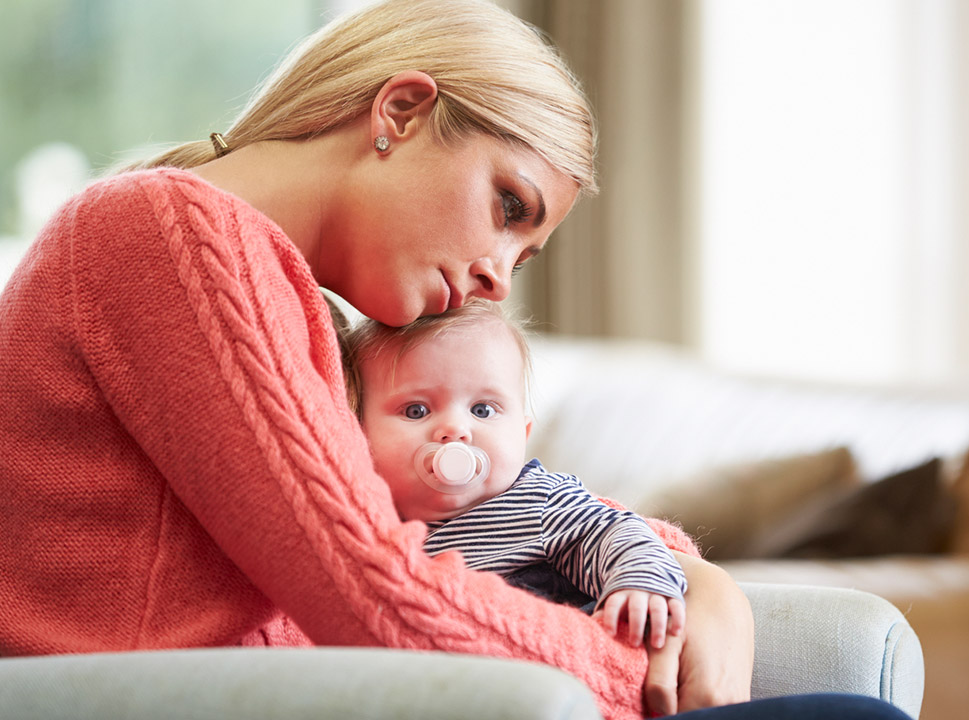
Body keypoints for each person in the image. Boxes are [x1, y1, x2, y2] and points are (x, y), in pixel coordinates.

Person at [0, 1, 909, 718]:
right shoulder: (164, 235)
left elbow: (479, 513)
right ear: (400, 110)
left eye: (524, 255)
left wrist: (685, 576)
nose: (495, 281)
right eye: (509, 206)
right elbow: (376, 593)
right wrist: (633, 665)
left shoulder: (289, 305)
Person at [343, 298, 686, 649]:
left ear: (522, 435)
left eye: (482, 409)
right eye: (416, 410)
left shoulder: (539, 500)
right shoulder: (367, 524)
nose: (455, 429)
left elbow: (614, 530)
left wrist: (638, 581)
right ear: (358, 430)